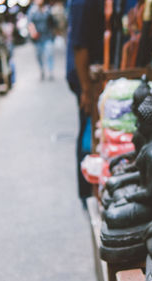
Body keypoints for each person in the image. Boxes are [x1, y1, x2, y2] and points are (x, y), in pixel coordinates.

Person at [66, 0, 104, 207]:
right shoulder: (82, 3)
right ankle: (87, 192)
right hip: (85, 78)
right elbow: (79, 46)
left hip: (88, 76)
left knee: (89, 130)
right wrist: (86, 90)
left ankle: (88, 188)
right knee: (88, 131)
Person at [27, 0, 55, 80]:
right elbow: (30, 23)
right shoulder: (32, 11)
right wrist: (33, 32)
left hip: (47, 36)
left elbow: (52, 22)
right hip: (37, 38)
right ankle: (42, 70)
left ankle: (50, 71)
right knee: (39, 55)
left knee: (49, 53)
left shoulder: (47, 10)